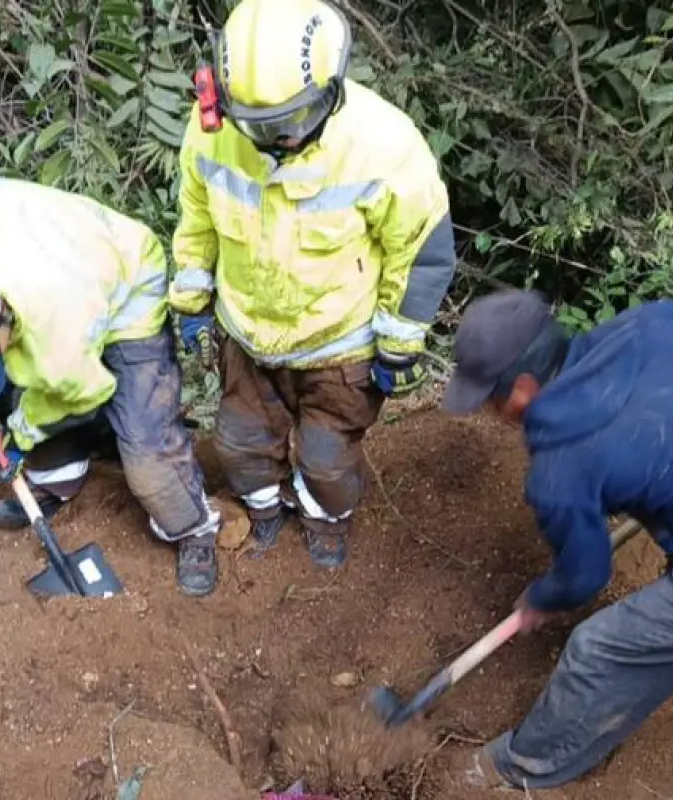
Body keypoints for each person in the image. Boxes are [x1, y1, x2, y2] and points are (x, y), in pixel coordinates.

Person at [440, 288, 673, 790]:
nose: (488, 409)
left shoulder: (561, 467)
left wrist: (541, 599)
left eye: (489, 397)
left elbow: (586, 574)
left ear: (522, 390)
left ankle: (522, 766)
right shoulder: (655, 326)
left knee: (599, 650)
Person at [0, 112, 223, 597]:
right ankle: (59, 477)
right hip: (57, 263)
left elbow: (81, 392)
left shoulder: (58, 341)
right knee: (13, 393)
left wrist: (19, 438)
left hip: (128, 279)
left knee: (145, 451)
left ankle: (193, 526)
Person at [168, 0, 457, 568]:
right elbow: (196, 223)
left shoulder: (383, 145)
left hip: (340, 347)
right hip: (248, 337)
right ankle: (265, 509)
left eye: (293, 121)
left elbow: (420, 248)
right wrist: (192, 303)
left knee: (328, 460)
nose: (279, 140)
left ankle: (325, 517)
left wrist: (399, 345)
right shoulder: (209, 135)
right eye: (260, 126)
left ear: (330, 88)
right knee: (238, 442)